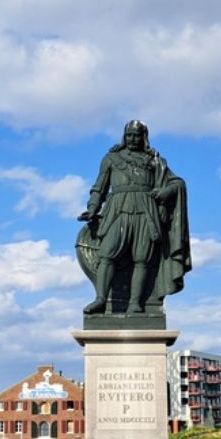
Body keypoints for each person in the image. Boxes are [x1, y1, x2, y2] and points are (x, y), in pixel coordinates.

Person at [77, 120, 191, 314]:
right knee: (107, 253)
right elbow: (99, 188)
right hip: (117, 211)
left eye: (137, 135)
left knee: (142, 258)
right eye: (129, 135)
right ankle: (101, 300)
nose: (132, 139)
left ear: (144, 137)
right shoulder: (111, 158)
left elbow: (177, 182)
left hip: (146, 211)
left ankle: (136, 303)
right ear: (124, 136)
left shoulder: (155, 161)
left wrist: (165, 192)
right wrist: (92, 208)